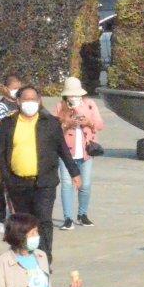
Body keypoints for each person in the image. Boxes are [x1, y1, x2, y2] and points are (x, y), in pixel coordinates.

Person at [0, 86, 81, 261]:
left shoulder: (50, 123)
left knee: (43, 219)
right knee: (24, 223)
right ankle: (26, 256)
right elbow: (1, 154)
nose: (30, 103)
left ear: (39, 100)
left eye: (33, 99)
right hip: (18, 183)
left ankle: (44, 258)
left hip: (44, 182)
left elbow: (63, 149)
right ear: (18, 101)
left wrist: (74, 173)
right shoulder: (8, 123)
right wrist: (6, 179)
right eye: (26, 99)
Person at [55, 77, 104, 231]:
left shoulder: (89, 104)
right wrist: (67, 124)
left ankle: (82, 214)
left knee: (85, 184)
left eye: (76, 94)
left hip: (85, 152)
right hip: (66, 153)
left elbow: (100, 125)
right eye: (71, 94)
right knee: (67, 184)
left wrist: (87, 122)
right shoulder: (60, 106)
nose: (74, 97)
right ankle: (68, 218)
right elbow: (54, 129)